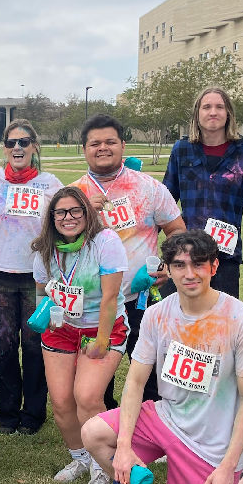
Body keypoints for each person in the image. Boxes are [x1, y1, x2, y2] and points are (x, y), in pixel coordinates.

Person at [81, 230, 243, 484]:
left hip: (213, 442)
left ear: (214, 267)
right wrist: (124, 445)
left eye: (199, 264)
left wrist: (227, 466)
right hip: (167, 418)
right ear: (167, 270)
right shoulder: (157, 314)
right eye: (180, 265)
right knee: (93, 433)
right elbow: (134, 381)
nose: (189, 273)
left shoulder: (242, 321)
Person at [71, 114, 184, 407]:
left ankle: (150, 425)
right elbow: (60, 248)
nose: (103, 148)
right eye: (95, 143)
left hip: (140, 297)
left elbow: (177, 232)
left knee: (149, 368)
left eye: (110, 141)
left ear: (123, 144)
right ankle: (104, 425)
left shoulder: (148, 187)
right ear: (84, 149)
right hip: (94, 304)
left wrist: (167, 266)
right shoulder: (72, 194)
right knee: (96, 375)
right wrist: (84, 215)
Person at [33, 186, 129, 484]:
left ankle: (104, 468)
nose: (68, 217)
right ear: (52, 217)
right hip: (62, 327)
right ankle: (81, 458)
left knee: (86, 396)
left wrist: (101, 341)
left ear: (87, 212)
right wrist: (46, 314)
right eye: (60, 212)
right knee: (61, 401)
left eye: (76, 210)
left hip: (102, 326)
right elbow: (41, 290)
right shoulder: (44, 247)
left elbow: (110, 298)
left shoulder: (106, 241)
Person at [0, 120, 62, 435]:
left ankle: (33, 415)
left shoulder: (50, 182)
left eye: (25, 142)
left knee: (34, 344)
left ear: (34, 147)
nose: (18, 148)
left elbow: (64, 222)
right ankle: (7, 413)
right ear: (4, 148)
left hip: (37, 278)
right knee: (2, 345)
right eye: (12, 142)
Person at [162, 87, 243, 298]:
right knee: (178, 321)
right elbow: (165, 203)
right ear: (197, 114)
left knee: (222, 324)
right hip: (184, 253)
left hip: (225, 258)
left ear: (228, 113)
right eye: (207, 107)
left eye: (220, 107)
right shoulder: (181, 150)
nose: (213, 112)